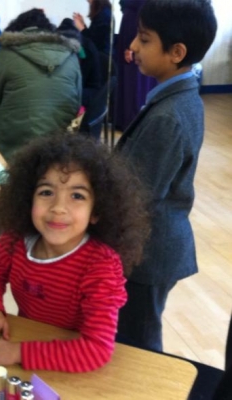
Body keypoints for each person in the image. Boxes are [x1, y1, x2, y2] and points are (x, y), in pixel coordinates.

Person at [0, 133, 150, 372]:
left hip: (68, 360)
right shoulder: (15, 240)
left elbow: (96, 349)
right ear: (27, 199)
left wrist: (15, 352)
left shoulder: (101, 266)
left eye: (77, 196)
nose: (58, 208)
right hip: (29, 340)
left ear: (96, 212)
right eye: (46, 192)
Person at [115, 0, 217, 352]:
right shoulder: (181, 96)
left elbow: (137, 196)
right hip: (153, 243)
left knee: (139, 345)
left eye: (144, 39)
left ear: (176, 52)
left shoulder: (168, 116)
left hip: (149, 254)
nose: (133, 46)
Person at [0, 9, 82, 162]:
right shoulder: (71, 56)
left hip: (13, 148)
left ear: (17, 30)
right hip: (59, 148)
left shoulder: (7, 54)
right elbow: (76, 103)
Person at [113, 0, 157, 131]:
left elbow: (143, 19)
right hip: (127, 34)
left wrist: (131, 46)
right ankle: (122, 119)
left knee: (132, 82)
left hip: (134, 39)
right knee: (125, 81)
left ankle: (131, 121)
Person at [57, 18, 102, 110]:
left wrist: (73, 95)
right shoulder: (52, 48)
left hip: (81, 97)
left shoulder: (88, 50)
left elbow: (95, 89)